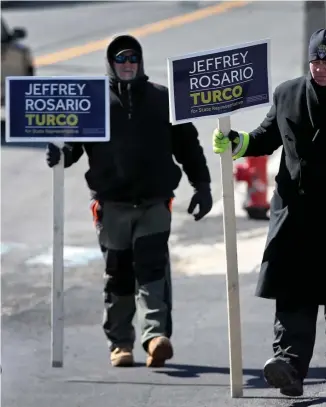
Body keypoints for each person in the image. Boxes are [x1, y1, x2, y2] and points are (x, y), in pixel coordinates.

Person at [213, 28, 326, 397]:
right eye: (315, 60)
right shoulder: (287, 93)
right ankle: (289, 367)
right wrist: (238, 143)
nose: (320, 68)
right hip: (295, 213)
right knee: (293, 291)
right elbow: (267, 137)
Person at [45, 34, 213, 368]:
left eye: (133, 59)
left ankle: (155, 337)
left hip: (154, 202)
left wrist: (202, 185)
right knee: (118, 275)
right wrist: (59, 154)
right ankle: (121, 343)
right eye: (121, 59)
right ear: (111, 63)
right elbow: (74, 150)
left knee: (152, 270)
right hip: (112, 206)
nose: (127, 65)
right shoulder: (95, 103)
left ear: (140, 63)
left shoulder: (162, 99)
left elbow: (188, 146)